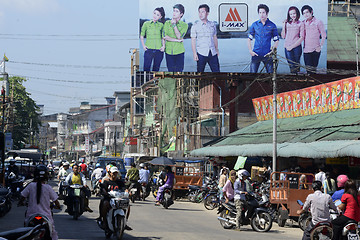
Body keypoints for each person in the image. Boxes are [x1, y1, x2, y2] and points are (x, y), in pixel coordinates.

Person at [19, 165, 61, 240]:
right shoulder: (48, 187)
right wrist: (58, 206)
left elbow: (22, 197)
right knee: (52, 233)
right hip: (46, 216)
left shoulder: (30, 186)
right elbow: (56, 201)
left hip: (31, 215)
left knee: (25, 232)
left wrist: (21, 202)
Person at [247, 4, 279, 73]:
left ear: (267, 13)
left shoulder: (272, 25)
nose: (261, 14)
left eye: (263, 12)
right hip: (256, 54)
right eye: (260, 12)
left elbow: (276, 40)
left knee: (271, 75)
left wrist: (272, 51)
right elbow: (249, 39)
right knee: (252, 75)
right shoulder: (254, 24)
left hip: (267, 54)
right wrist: (250, 51)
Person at [98, 166, 132, 231]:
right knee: (105, 204)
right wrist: (104, 192)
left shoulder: (120, 182)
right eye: (113, 173)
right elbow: (103, 189)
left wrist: (127, 192)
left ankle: (125, 221)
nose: (114, 174)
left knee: (128, 205)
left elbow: (124, 188)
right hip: (109, 198)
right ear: (110, 173)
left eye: (116, 173)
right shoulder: (106, 181)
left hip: (118, 199)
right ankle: (104, 222)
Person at [190, 4, 220, 73]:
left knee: (217, 73)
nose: (200, 14)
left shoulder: (212, 24)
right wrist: (194, 53)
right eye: (199, 12)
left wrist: (217, 49)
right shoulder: (195, 26)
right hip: (201, 54)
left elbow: (214, 37)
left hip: (213, 53)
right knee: (200, 73)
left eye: (202, 12)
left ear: (207, 13)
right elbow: (193, 40)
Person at [301, 5, 326, 74]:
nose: (306, 15)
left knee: (313, 71)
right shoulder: (302, 23)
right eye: (304, 13)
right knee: (308, 70)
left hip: (316, 50)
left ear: (311, 12)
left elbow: (323, 35)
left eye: (307, 12)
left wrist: (320, 47)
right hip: (306, 50)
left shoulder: (318, 22)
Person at [163, 4, 188, 72]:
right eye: (174, 11)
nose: (174, 13)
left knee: (179, 71)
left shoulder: (184, 25)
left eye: (176, 11)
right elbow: (165, 37)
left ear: (181, 14)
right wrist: (177, 40)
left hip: (179, 52)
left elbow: (180, 37)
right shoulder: (167, 23)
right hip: (168, 52)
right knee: (170, 71)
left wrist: (174, 25)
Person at [140, 7, 166, 72]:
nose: (155, 16)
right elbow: (142, 35)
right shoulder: (146, 24)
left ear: (160, 17)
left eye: (158, 15)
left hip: (159, 51)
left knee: (156, 70)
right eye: (154, 13)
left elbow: (163, 37)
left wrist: (163, 46)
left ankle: (154, 81)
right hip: (148, 50)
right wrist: (143, 46)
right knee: (146, 69)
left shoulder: (161, 25)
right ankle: (146, 81)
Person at [281, 6, 304, 74]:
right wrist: (283, 25)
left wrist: (292, 46)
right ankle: (293, 79)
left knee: (296, 66)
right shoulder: (287, 23)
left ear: (297, 13)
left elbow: (302, 37)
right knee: (291, 66)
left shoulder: (300, 23)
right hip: (287, 47)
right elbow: (283, 36)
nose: (292, 15)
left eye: (294, 13)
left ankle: (297, 80)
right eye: (290, 14)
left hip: (296, 47)